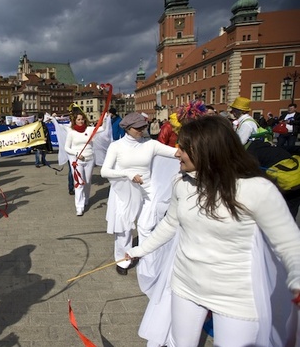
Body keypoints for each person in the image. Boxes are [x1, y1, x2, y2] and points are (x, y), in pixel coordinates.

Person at [126, 115, 300, 346]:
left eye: (184, 148)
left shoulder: (257, 190)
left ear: (208, 150)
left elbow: (290, 245)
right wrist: (139, 250)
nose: (176, 153)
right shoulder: (181, 182)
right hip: (185, 284)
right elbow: (170, 224)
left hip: (236, 296)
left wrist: (297, 282)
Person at [101, 112, 177, 275]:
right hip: (124, 193)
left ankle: (148, 261)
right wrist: (128, 174)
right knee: (124, 229)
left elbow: (174, 153)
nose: (142, 130)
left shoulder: (150, 144)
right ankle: (123, 260)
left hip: (147, 192)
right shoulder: (116, 146)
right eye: (138, 128)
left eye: (144, 127)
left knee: (146, 227)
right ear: (128, 128)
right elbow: (104, 171)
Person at [64, 110, 105, 216]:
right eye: (78, 119)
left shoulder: (90, 129)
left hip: (89, 159)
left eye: (82, 119)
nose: (81, 121)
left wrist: (104, 117)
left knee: (87, 181)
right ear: (74, 121)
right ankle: (79, 206)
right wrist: (76, 153)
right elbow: (66, 148)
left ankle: (86, 199)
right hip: (77, 161)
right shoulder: (71, 133)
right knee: (79, 183)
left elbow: (103, 128)